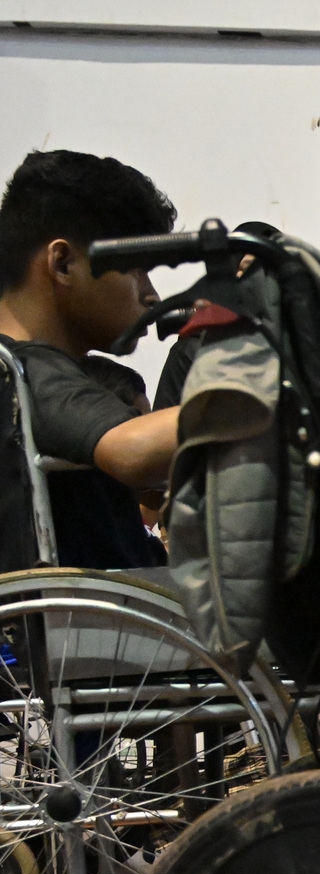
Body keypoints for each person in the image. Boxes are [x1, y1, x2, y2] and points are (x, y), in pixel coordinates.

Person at [0, 149, 179, 570]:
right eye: (135, 268)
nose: (151, 294)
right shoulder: (20, 373)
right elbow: (133, 448)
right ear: (62, 264)